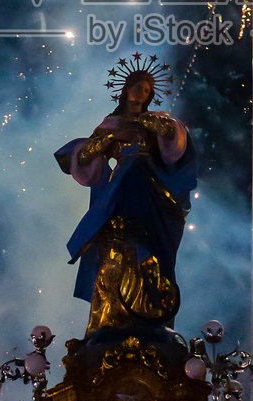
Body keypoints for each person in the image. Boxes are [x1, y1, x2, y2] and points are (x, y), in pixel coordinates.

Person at [55, 65, 197, 333]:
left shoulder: (157, 121)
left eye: (146, 90)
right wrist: (112, 135)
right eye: (137, 87)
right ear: (126, 89)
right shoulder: (111, 123)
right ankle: (114, 315)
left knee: (151, 247)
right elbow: (85, 158)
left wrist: (151, 123)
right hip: (122, 188)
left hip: (151, 192)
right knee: (118, 245)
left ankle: (151, 312)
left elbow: (176, 142)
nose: (141, 93)